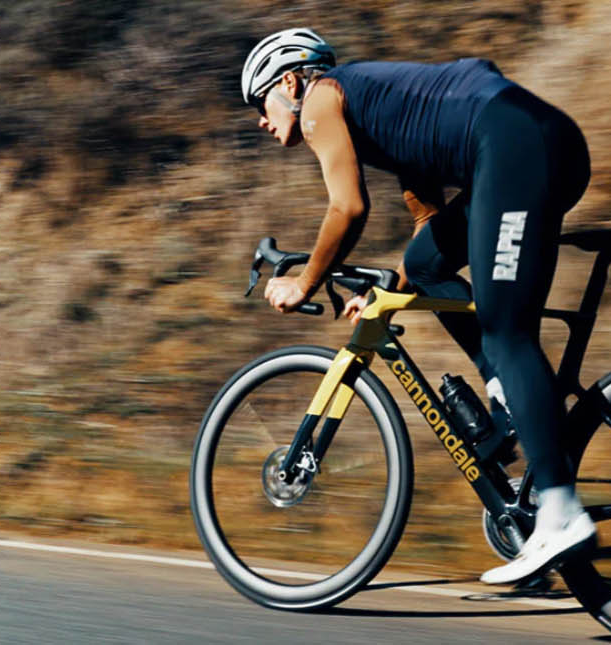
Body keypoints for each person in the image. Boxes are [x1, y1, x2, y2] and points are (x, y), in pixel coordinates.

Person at [242, 28, 593, 584]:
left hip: (514, 145)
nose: (261, 121)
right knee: (430, 264)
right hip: (535, 141)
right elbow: (429, 234)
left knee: (509, 334)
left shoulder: (320, 100)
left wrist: (306, 282)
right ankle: (504, 389)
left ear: (289, 81)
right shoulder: (390, 112)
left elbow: (348, 208)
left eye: (259, 103)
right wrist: (382, 290)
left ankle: (560, 512)